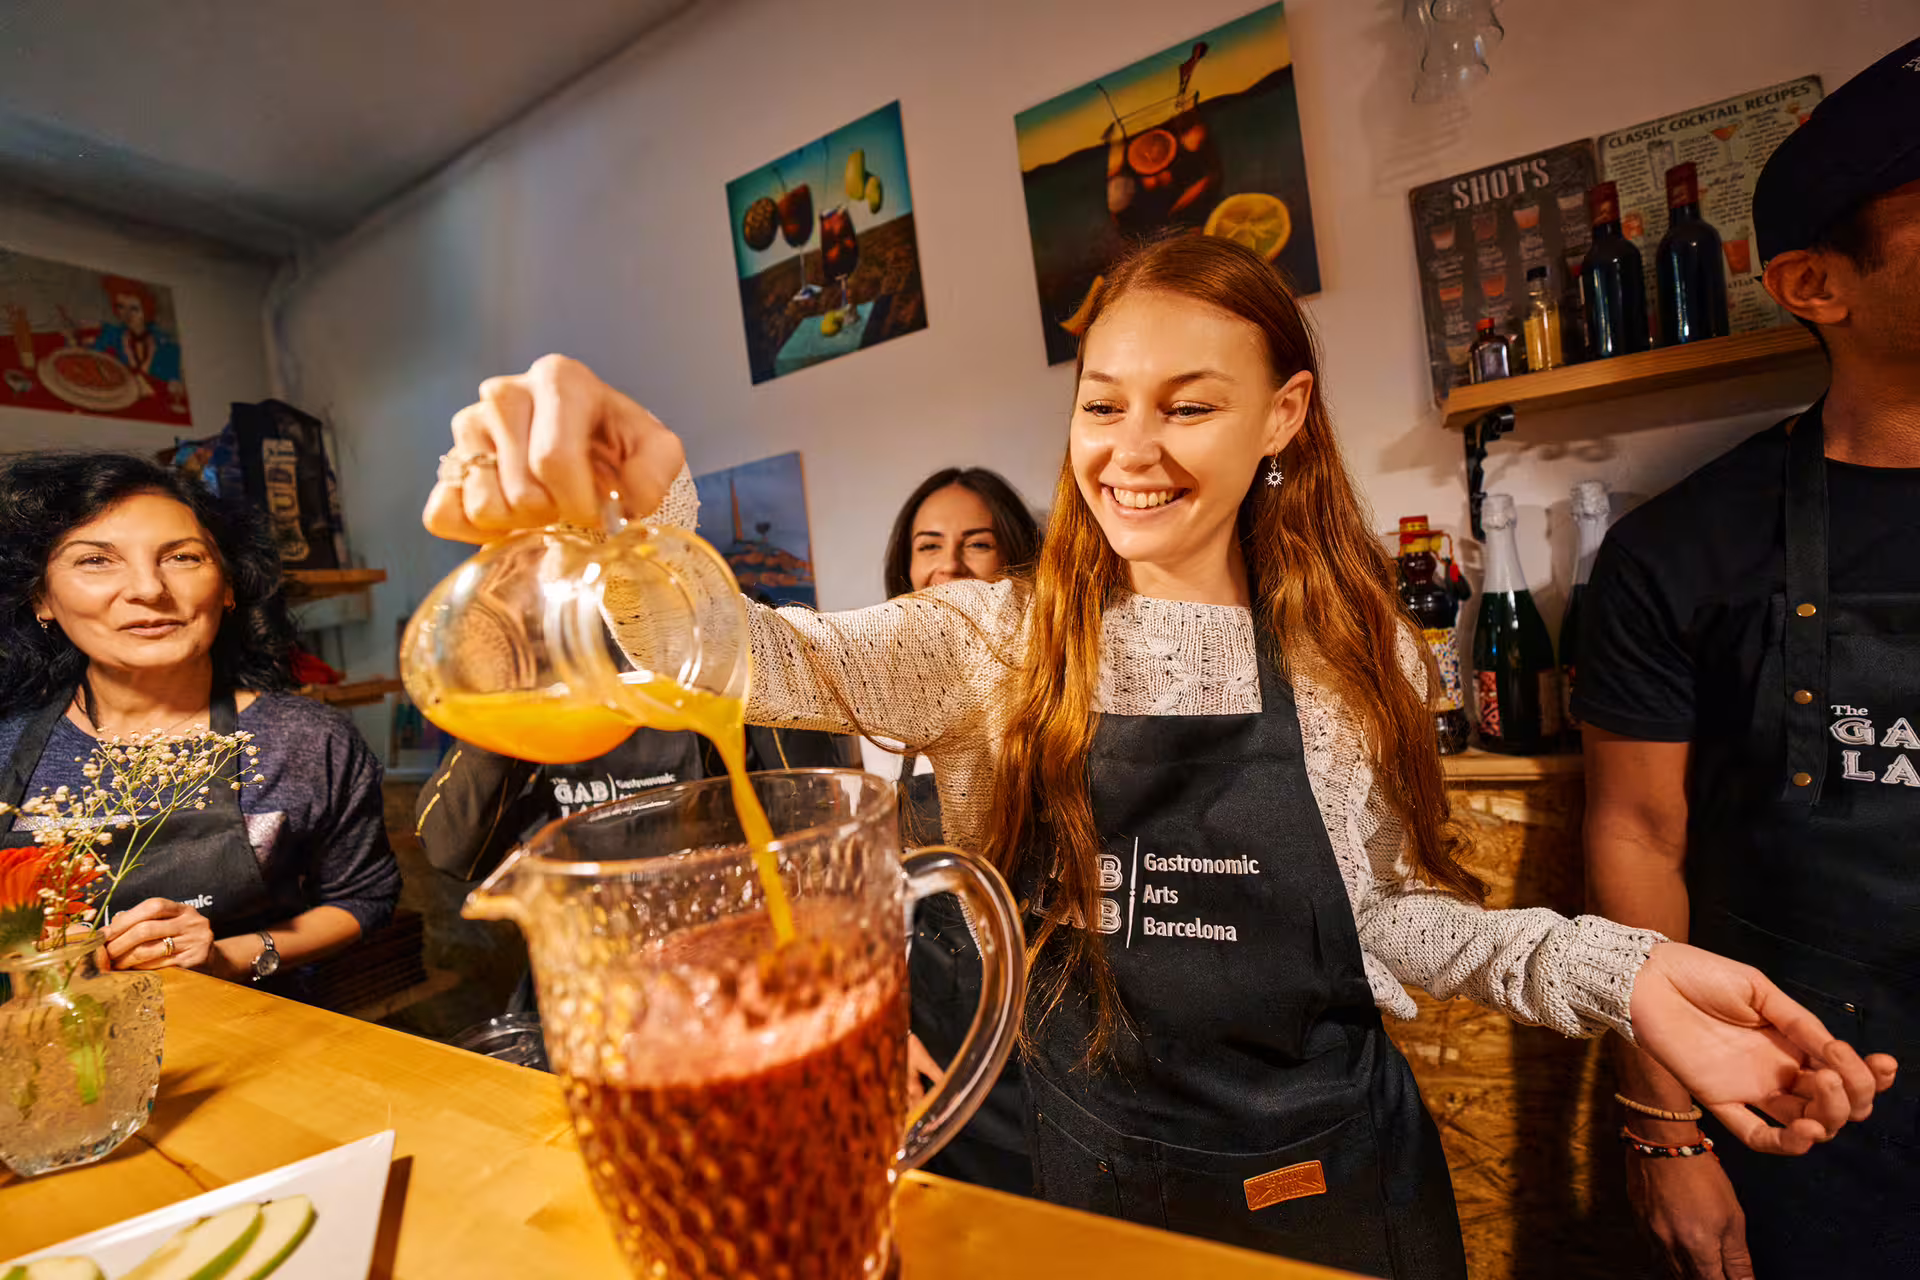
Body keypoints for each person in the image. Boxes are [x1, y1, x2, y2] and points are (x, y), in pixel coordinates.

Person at [423, 235, 1895, 1279]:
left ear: (1283, 416)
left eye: (1189, 405)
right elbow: (747, 656)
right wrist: (634, 519)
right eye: (1102, 403)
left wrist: (1624, 972)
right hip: (1098, 1179)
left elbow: (1387, 921)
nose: (1131, 449)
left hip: (1342, 1181)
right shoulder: (994, 638)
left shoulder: (1364, 655)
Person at [1578, 39, 1920, 1280]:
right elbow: (1638, 841)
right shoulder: (1678, 550)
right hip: (1812, 1105)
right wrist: (1665, 1129)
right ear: (1814, 284)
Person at [0, 452, 400, 984]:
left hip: (249, 1027)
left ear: (228, 587)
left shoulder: (305, 740)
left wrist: (225, 957)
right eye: (96, 560)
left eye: (183, 557)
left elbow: (363, 897)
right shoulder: (6, 744)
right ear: (42, 598)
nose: (148, 589)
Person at [873, 466, 1041, 1197]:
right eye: (928, 545)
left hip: (1050, 1046)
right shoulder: (875, 711)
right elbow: (875, 905)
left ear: (1016, 564)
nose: (948, 565)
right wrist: (885, 1028)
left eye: (977, 543)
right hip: (938, 1047)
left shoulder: (1055, 702)